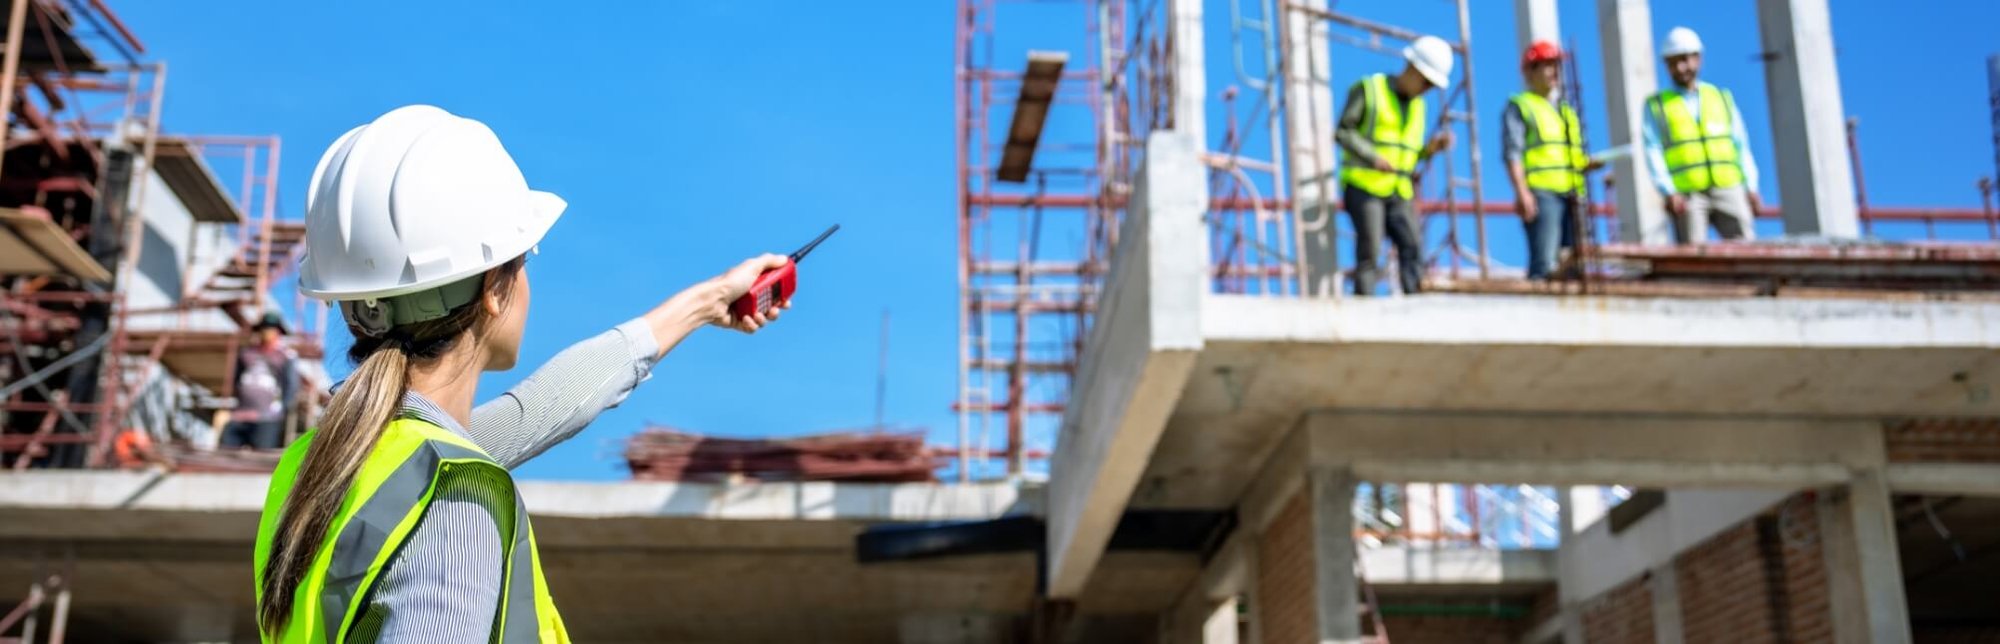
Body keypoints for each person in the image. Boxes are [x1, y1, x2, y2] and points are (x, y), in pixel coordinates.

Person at [253, 105, 792, 643]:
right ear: (493, 288)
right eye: (524, 259)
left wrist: (704, 303)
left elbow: (536, 409)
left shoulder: (325, 468)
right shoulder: (452, 500)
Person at [1335, 34, 1455, 296]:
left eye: (1432, 85)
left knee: (1411, 245)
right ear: (1412, 68)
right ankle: (1364, 305)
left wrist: (1430, 150)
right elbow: (1343, 132)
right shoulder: (1369, 90)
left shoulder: (1418, 107)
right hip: (1364, 184)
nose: (1427, 89)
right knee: (1371, 249)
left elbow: (1407, 155)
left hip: (1399, 189)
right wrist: (1372, 157)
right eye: (1426, 82)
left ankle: (1415, 304)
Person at [1643, 26, 1762, 243]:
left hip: (1729, 187)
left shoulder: (1720, 97)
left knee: (1745, 249)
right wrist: (1668, 191)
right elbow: (1653, 150)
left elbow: (1740, 145)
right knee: (1693, 256)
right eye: (1673, 62)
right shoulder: (1657, 105)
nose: (1680, 68)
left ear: (1698, 59)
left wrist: (1751, 186)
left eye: (1685, 59)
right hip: (1688, 194)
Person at [1502, 41, 1604, 280]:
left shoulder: (1567, 111)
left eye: (1556, 65)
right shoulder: (1521, 106)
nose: (1554, 71)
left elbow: (1570, 153)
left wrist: (1586, 163)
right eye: (1546, 66)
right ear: (1530, 71)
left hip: (1572, 192)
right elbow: (1512, 153)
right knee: (1545, 262)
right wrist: (1522, 192)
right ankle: (1541, 310)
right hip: (1542, 193)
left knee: (1574, 263)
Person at [221, 311, 298, 450]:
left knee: (261, 454)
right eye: (265, 327)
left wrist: (283, 408)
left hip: (267, 417)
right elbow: (236, 379)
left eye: (271, 328)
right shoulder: (246, 353)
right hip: (240, 414)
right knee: (227, 451)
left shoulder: (286, 356)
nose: (267, 331)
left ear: (278, 331)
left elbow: (291, 385)